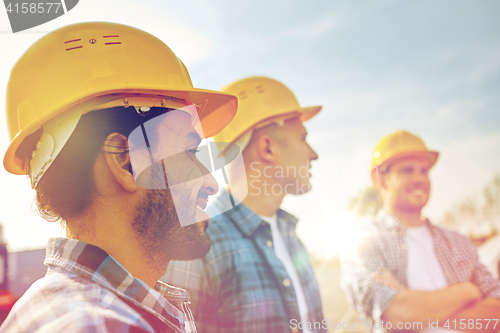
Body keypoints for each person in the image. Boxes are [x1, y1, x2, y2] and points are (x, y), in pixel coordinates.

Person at [0, 22, 237, 333]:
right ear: (126, 162)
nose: (211, 183)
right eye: (189, 152)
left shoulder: (72, 309)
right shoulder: (100, 325)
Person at [162, 76, 326, 333]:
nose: (313, 154)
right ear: (268, 147)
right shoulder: (197, 244)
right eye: (303, 138)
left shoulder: (293, 238)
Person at [340, 130, 500, 333]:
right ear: (381, 179)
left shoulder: (459, 242)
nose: (419, 179)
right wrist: (467, 292)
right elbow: (394, 315)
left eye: (424, 171)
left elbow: (497, 315)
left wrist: (414, 305)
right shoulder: (364, 240)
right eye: (407, 171)